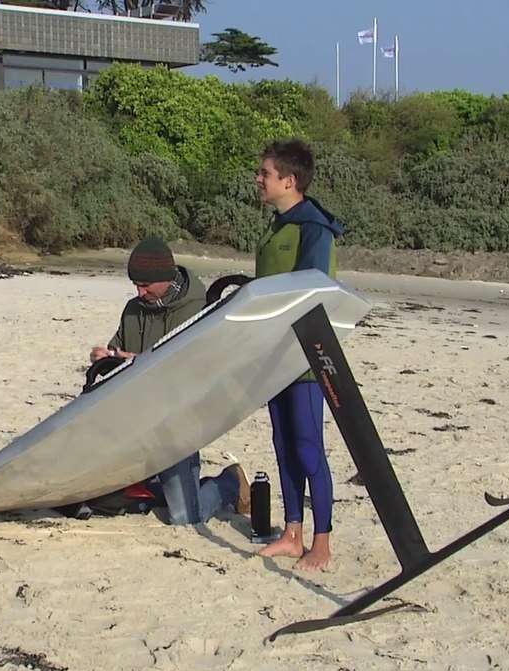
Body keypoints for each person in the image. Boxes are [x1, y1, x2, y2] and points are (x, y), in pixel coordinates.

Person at [83, 235, 251, 526]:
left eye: (145, 285)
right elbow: (117, 359)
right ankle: (155, 485)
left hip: (178, 426)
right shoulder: (133, 309)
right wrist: (106, 357)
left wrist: (133, 358)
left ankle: (229, 483)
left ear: (166, 277)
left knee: (185, 518)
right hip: (134, 424)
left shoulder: (199, 309)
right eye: (135, 284)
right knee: (108, 497)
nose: (139, 291)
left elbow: (194, 372)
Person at [252, 138, 344, 571]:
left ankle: (321, 541)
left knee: (309, 446)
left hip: (305, 356)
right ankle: (292, 533)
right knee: (283, 444)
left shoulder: (314, 226)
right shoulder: (276, 225)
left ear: (289, 180)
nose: (259, 179)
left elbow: (313, 288)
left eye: (265, 173)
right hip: (272, 352)